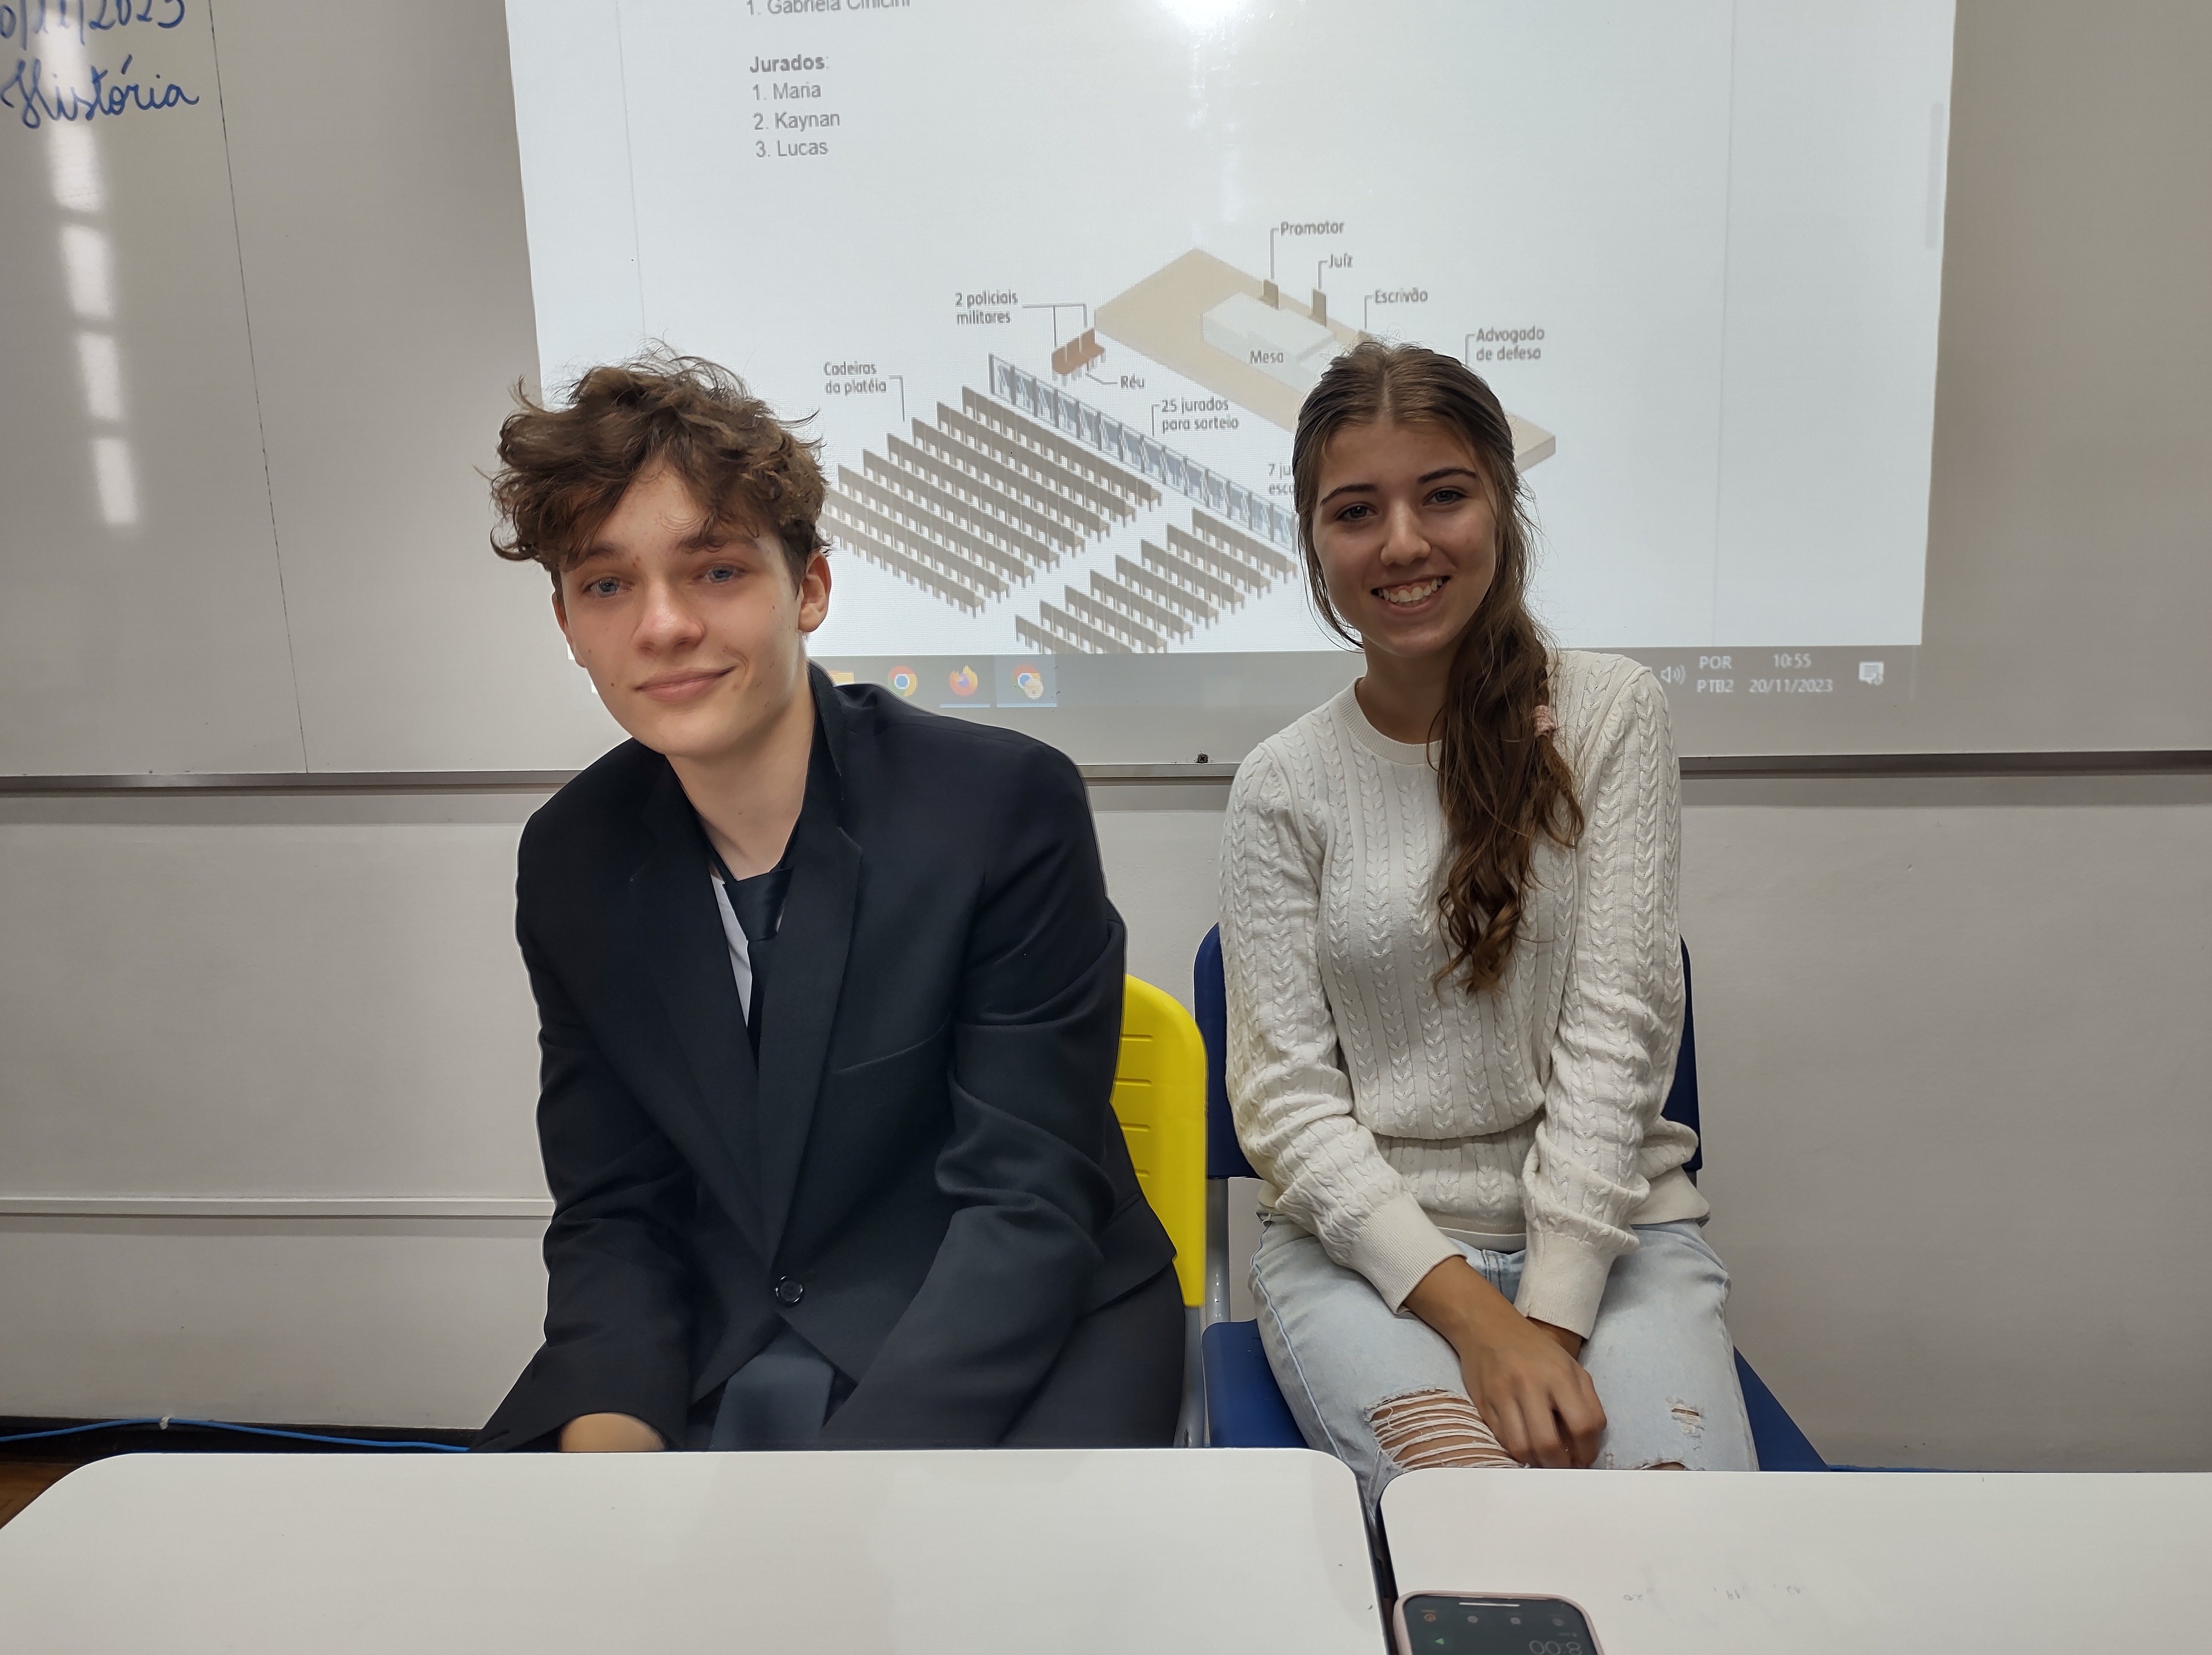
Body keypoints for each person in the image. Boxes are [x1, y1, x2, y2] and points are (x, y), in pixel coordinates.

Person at [474, 354, 1180, 1453]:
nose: (661, 624)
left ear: (808, 587)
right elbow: (615, 1205)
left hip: (1009, 1323)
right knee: (524, 1547)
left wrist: (839, 1499)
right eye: (606, 585)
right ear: (567, 621)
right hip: (727, 1320)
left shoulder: (998, 806)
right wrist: (612, 1433)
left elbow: (1026, 1202)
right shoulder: (573, 856)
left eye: (715, 570)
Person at [1219, 341, 1755, 1509]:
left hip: (1615, 1236)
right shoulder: (1280, 783)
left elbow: (1618, 1032)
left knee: (1678, 1535)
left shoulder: (1611, 713)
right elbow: (1284, 1102)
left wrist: (1547, 1322)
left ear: (1503, 506)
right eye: (1356, 510)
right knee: (1485, 1528)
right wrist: (1479, 1322)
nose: (1403, 542)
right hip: (1368, 1256)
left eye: (1444, 494)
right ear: (1313, 540)